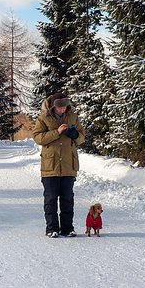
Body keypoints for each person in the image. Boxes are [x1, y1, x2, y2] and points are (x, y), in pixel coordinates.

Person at [32, 93, 85, 238]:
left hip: (69, 165)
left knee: (67, 198)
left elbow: (82, 136)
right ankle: (52, 229)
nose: (62, 110)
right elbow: (38, 137)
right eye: (59, 108)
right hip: (50, 166)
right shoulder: (43, 118)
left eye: (65, 107)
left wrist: (75, 135)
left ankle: (68, 228)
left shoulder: (73, 117)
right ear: (53, 106)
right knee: (50, 199)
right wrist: (57, 132)